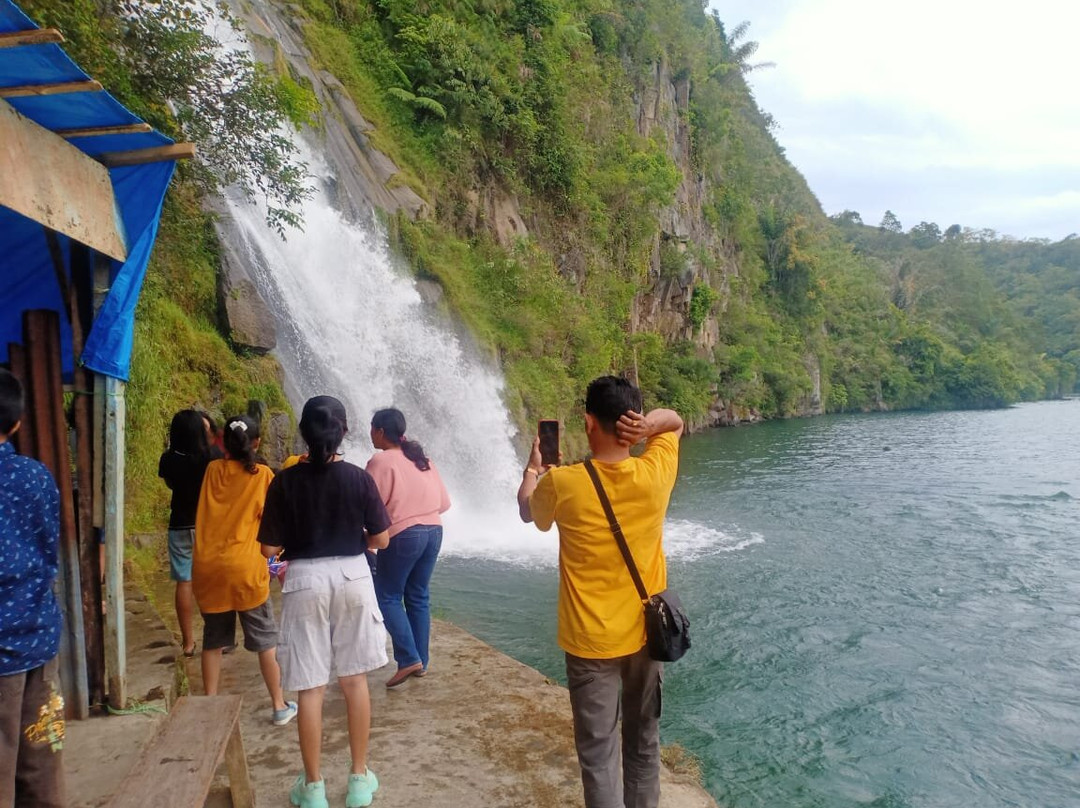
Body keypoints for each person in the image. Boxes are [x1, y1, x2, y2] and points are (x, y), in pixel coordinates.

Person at [517, 376, 683, 808]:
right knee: (644, 743)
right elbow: (675, 422)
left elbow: (527, 511)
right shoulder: (655, 473)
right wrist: (649, 427)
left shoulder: (564, 482)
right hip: (647, 637)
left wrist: (533, 469)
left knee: (598, 756)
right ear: (633, 422)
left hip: (589, 643)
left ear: (589, 423)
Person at [258, 396, 391, 808]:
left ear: (304, 432)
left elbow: (268, 549)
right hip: (353, 576)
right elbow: (382, 538)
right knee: (354, 681)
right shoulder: (358, 478)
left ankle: (313, 787)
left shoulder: (285, 481)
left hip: (305, 581)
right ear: (343, 431)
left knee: (311, 687)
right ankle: (358, 779)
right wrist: (356, 537)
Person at [193, 415, 295, 726]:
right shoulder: (262, 475)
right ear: (257, 443)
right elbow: (274, 520)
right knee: (265, 641)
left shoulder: (212, 470)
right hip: (246, 568)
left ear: (223, 442)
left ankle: (209, 707)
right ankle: (279, 705)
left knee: (213, 640)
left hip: (209, 566)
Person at [0, 368, 66, 808]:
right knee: (42, 760)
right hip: (39, 639)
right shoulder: (36, 476)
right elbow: (49, 545)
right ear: (18, 422)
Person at [366, 408, 451, 689]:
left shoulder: (381, 461)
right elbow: (444, 503)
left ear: (380, 431)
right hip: (434, 531)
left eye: (372, 428)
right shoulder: (421, 459)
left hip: (404, 534)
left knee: (387, 595)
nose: (370, 433)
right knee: (418, 595)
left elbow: (370, 506)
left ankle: (408, 658)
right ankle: (421, 662)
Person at [159, 409, 220, 656]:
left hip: (179, 525)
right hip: (207, 525)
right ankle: (217, 638)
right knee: (211, 581)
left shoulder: (168, 459)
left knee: (184, 582)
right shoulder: (212, 457)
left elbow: (170, 484)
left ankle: (188, 643)